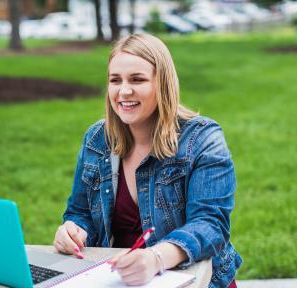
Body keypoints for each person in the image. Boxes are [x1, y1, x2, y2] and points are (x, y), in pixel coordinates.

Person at [53, 33, 242, 288]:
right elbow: (80, 211)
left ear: (162, 84)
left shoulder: (202, 139)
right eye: (115, 80)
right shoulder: (97, 139)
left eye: (137, 79)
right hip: (118, 280)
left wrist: (155, 258)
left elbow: (211, 225)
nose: (124, 90)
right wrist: (73, 230)